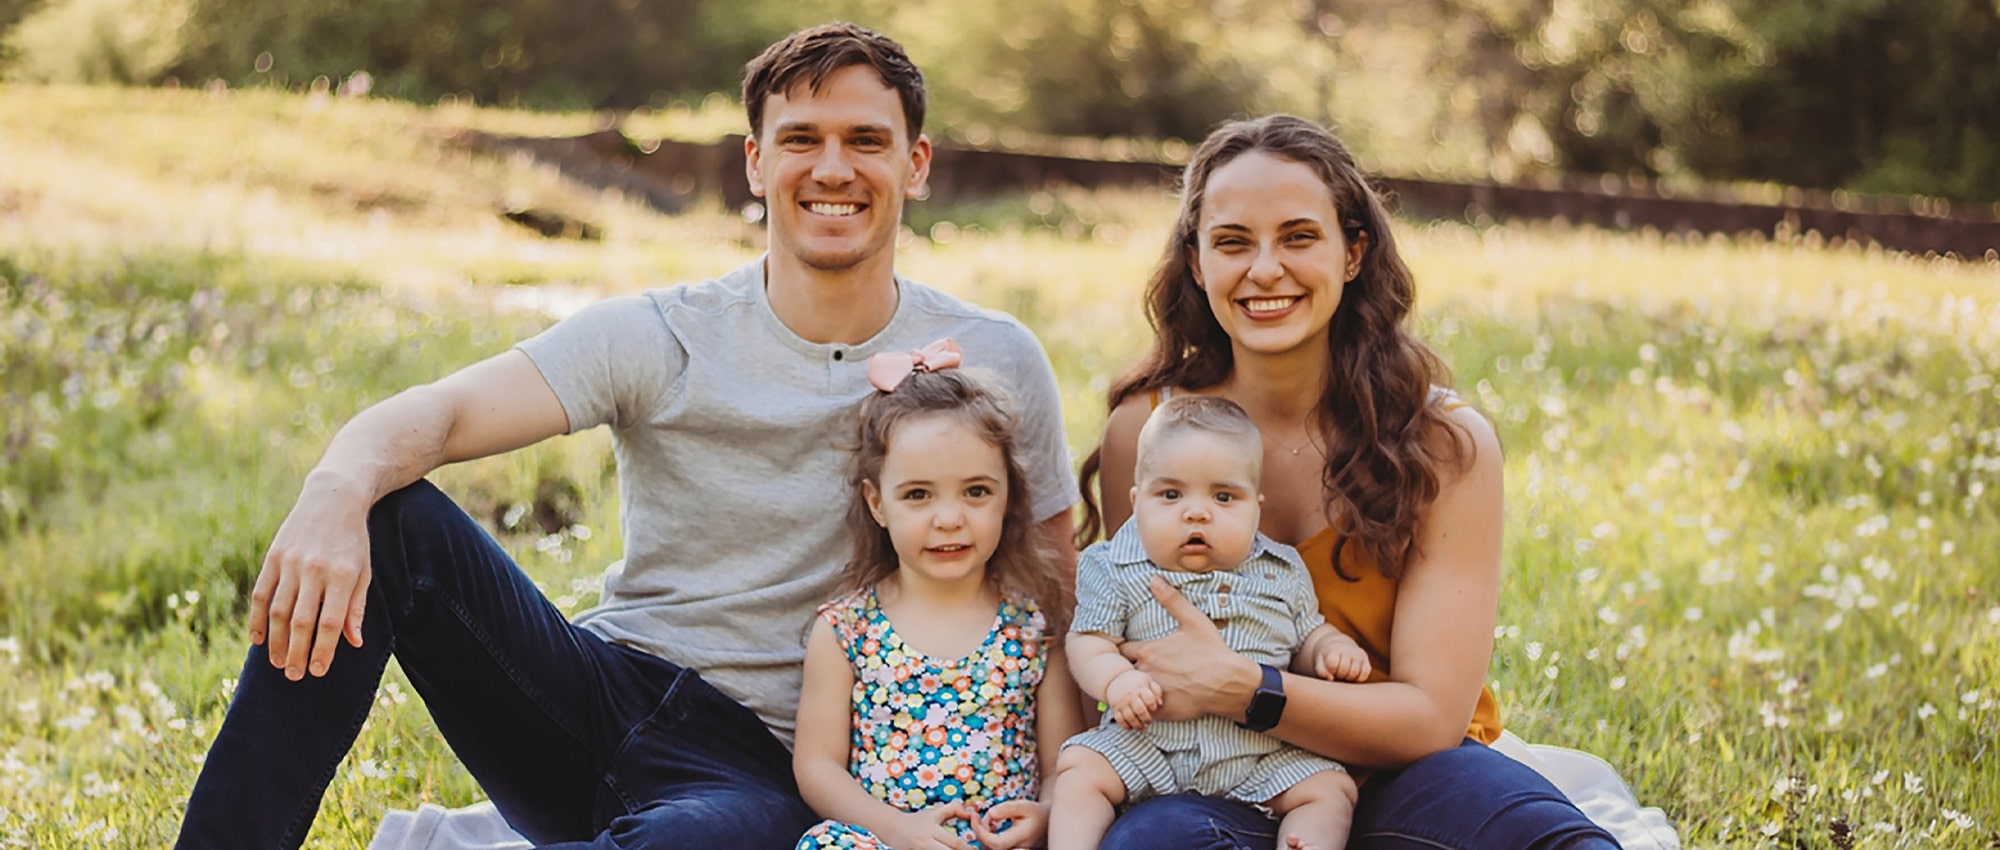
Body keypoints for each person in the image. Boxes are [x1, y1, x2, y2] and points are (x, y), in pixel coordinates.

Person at [175, 23, 1079, 850]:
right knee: (388, 517)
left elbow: (1050, 596)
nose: (833, 168)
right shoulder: (663, 332)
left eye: (866, 141)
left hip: (770, 765)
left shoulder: (995, 356)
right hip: (601, 695)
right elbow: (442, 413)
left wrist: (1059, 787)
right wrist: (334, 492)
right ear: (757, 163)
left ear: (916, 164)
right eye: (801, 139)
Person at [1072, 114, 1620, 849]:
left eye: (1299, 237)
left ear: (1354, 251)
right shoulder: (1145, 433)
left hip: (1406, 769)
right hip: (1207, 773)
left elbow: (1430, 718)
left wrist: (1250, 689)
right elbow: (1120, 632)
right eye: (1233, 242)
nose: (1265, 269)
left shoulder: (1443, 445)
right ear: (1197, 264)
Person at [1049, 394, 1370, 850]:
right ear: (1137, 502)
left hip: (1258, 753)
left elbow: (1307, 633)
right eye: (1171, 494)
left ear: (1256, 508)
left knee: (1329, 789)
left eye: (1223, 496)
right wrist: (1117, 682)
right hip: (1149, 744)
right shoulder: (1114, 566)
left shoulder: (1280, 569)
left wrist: (1331, 649)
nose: (1196, 512)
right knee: (1080, 768)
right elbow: (1088, 642)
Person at [793, 352, 1084, 850]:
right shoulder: (847, 630)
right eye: (918, 495)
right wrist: (895, 829)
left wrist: (1046, 814)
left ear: (1008, 497)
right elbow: (817, 766)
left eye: (975, 492)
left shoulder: (1034, 630)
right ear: (877, 502)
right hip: (887, 840)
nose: (949, 519)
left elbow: (1064, 764)